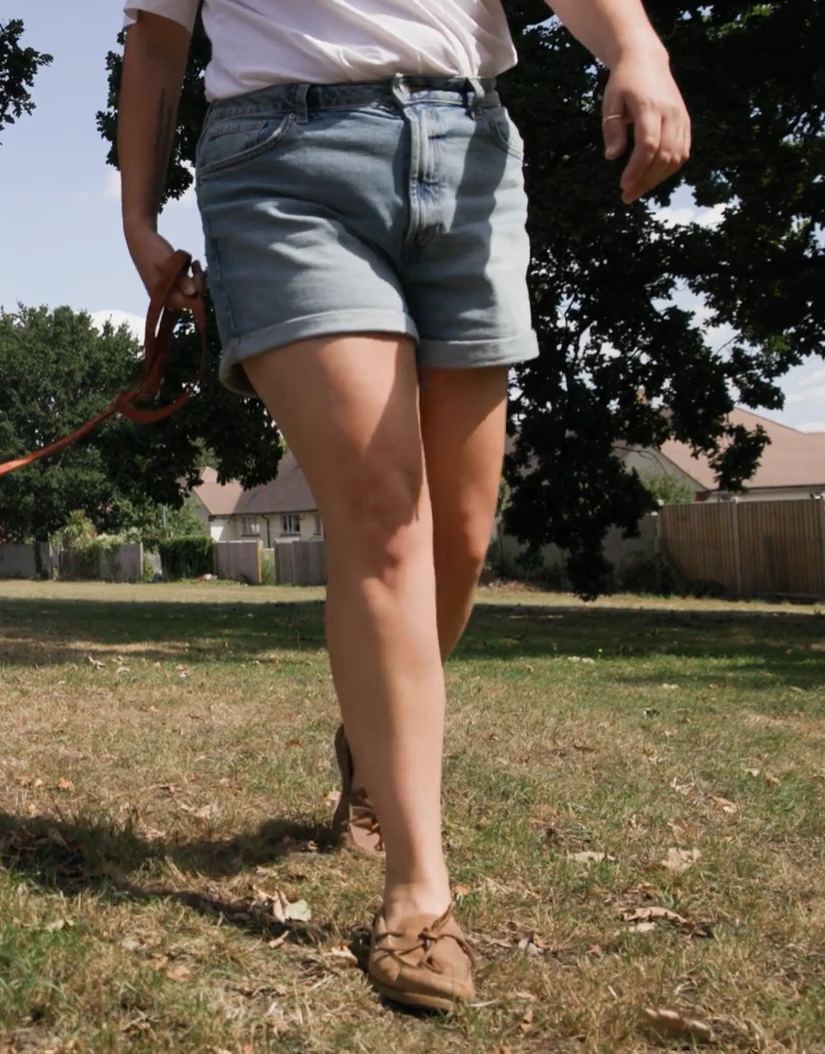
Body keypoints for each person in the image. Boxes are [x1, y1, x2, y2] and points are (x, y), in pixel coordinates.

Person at [116, 0, 688, 1012]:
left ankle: (369, 740)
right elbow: (159, 39)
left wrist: (636, 47)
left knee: (462, 540)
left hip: (466, 147)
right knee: (385, 515)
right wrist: (140, 218)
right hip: (282, 159)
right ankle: (419, 894)